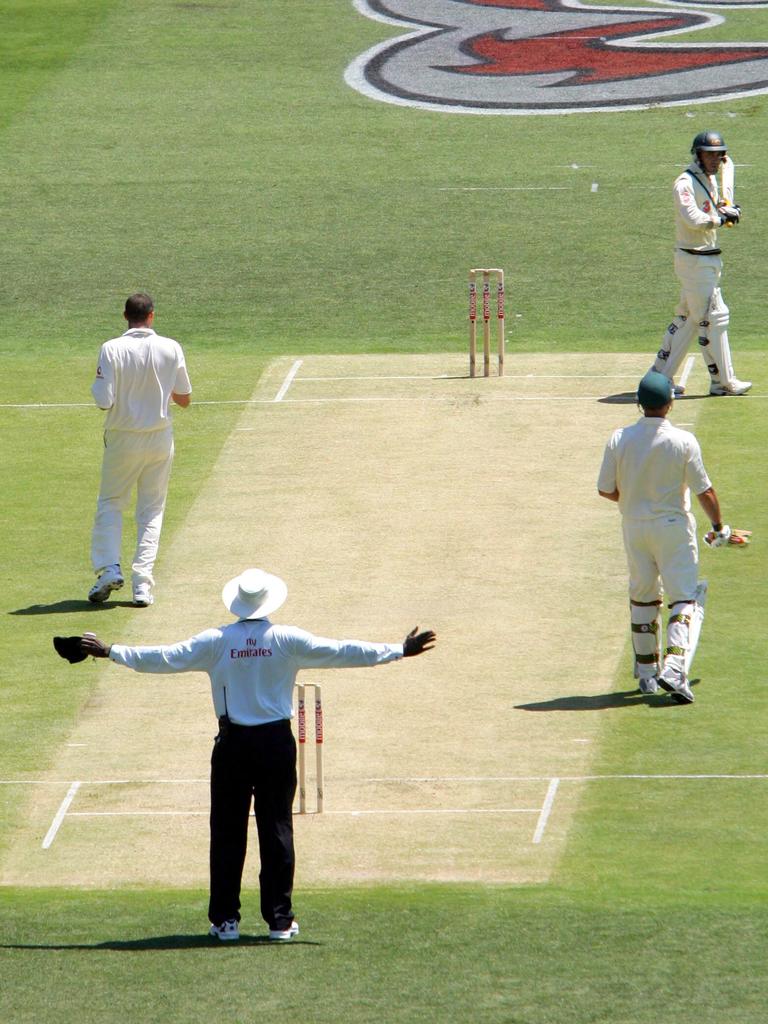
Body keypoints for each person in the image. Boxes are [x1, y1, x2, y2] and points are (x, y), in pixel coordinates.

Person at [74, 567, 436, 942]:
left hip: (233, 745)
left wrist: (109, 651)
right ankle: (279, 921)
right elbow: (342, 651)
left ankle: (226, 921)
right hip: (276, 745)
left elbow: (165, 657)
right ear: (268, 602)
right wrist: (398, 650)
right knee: (277, 828)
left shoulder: (217, 640)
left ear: (237, 603)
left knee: (227, 832)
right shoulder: (286, 638)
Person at [597, 371, 731, 704]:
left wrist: (632, 501)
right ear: (670, 404)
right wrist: (718, 527)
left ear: (639, 404)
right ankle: (673, 665)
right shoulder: (683, 441)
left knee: (643, 597)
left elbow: (605, 489)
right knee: (685, 598)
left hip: (634, 527)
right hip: (672, 528)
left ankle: (646, 674)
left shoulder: (619, 438)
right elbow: (705, 491)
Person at [88, 293, 192, 607]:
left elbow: (103, 401)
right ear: (152, 316)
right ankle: (142, 585)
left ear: (125, 316)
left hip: (122, 438)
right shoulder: (171, 347)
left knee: (110, 502)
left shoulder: (111, 348)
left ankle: (109, 568)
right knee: (151, 511)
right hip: (160, 439)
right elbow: (184, 398)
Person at [651, 130, 751, 398]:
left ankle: (659, 377)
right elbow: (694, 219)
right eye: (710, 154)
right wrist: (721, 218)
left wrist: (726, 209)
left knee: (688, 320)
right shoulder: (684, 183)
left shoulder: (709, 179)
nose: (716, 159)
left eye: (719, 154)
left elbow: (712, 208)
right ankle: (723, 382)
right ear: (697, 154)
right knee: (712, 318)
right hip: (694, 261)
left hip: (706, 258)